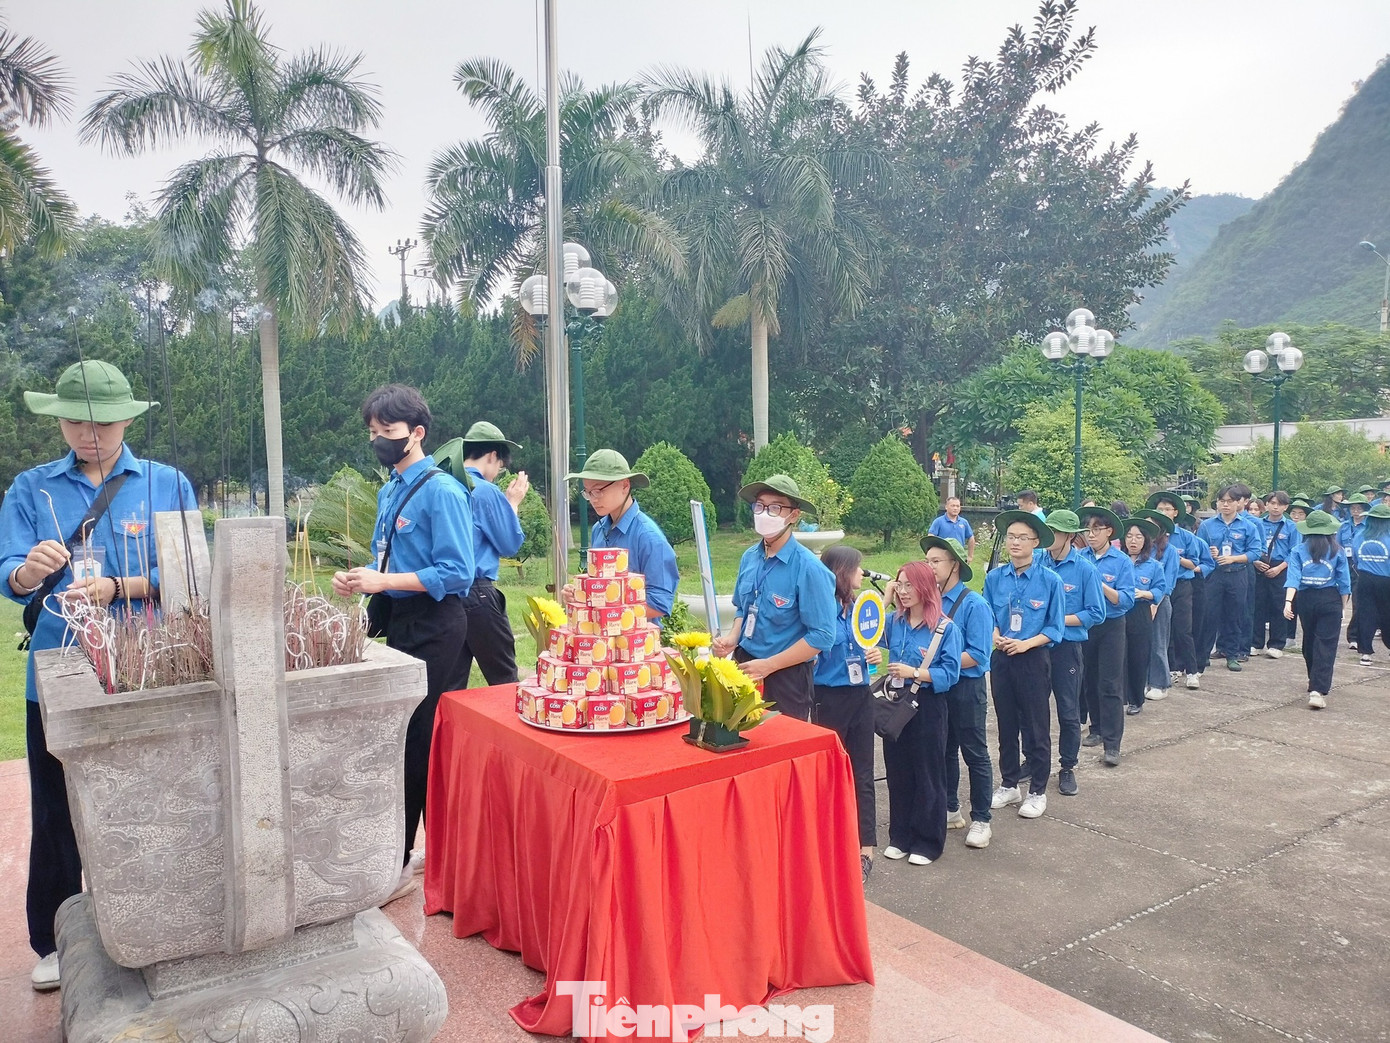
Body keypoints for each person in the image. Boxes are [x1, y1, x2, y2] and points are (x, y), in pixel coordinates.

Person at [0, 360, 198, 992]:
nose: (90, 436)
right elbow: (9, 576)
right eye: (76, 423)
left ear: (127, 420)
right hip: (60, 667)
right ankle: (55, 935)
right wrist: (31, 571)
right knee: (56, 807)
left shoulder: (165, 483)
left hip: (146, 667)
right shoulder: (32, 490)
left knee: (153, 798)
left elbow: (190, 575)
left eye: (104, 424)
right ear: (57, 420)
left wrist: (119, 587)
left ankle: (158, 920)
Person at [332, 384, 475, 904]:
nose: (379, 442)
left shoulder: (442, 492)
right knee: (390, 733)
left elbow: (456, 572)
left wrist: (384, 582)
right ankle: (393, 846)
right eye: (372, 434)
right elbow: (388, 557)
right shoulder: (392, 487)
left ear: (417, 433)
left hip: (437, 623)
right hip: (396, 617)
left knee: (416, 737)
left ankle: (399, 859)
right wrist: (364, 578)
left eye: (387, 433)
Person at [714, 475, 836, 722]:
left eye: (775, 507)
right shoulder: (750, 558)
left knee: (780, 748)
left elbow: (822, 635)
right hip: (745, 667)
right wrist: (732, 638)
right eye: (759, 506)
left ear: (794, 515)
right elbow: (743, 609)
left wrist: (770, 665)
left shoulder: (809, 569)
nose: (764, 514)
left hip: (786, 677)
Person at [877, 559, 963, 865]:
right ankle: (900, 836)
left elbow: (950, 673)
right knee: (898, 771)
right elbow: (866, 631)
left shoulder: (943, 627)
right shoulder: (895, 622)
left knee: (928, 772)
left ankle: (928, 841)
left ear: (926, 587)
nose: (903, 591)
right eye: (899, 584)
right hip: (896, 704)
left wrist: (915, 672)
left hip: (927, 706)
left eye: (910, 585)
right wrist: (884, 600)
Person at [984, 511, 1065, 818]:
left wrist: (1025, 643)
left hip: (1032, 658)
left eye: (1022, 538)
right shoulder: (995, 577)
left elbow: (1055, 627)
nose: (1015, 543)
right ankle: (1008, 783)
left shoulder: (1050, 581)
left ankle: (1037, 790)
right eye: (1011, 537)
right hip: (1002, 657)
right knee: (1006, 724)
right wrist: (995, 635)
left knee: (1036, 725)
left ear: (1036, 543)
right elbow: (988, 614)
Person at [811, 546, 879, 883]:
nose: (862, 574)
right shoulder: (820, 611)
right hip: (828, 697)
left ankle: (866, 850)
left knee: (863, 771)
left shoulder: (860, 609)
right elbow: (815, 652)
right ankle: (831, 841)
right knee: (831, 773)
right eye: (857, 568)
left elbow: (868, 642)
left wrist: (872, 654)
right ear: (841, 571)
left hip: (860, 695)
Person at [921, 535, 995, 848]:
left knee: (974, 752)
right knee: (944, 749)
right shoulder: (930, 602)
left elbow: (979, 653)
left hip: (966, 687)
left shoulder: (974, 604)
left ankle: (982, 819)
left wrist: (940, 664)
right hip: (939, 686)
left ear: (956, 565)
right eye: (927, 560)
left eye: (936, 561)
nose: (930, 566)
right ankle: (950, 808)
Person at [563, 450, 680, 620]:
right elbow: (597, 586)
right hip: (601, 639)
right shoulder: (598, 529)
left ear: (625, 486)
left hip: (637, 642)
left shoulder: (649, 537)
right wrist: (580, 594)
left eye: (598, 490)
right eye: (588, 492)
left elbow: (659, 604)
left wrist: (607, 608)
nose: (593, 499)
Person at [1038, 509, 1105, 797]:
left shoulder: (1084, 569)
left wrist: (1057, 618)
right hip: (1036, 647)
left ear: (1068, 536)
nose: (1048, 537)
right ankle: (1034, 759)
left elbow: (1096, 613)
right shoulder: (1037, 562)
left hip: (1066, 647)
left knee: (1068, 711)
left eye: (1054, 532)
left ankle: (1067, 766)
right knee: (1034, 711)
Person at [456, 421, 527, 685]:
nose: (497, 472)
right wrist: (512, 504)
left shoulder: (444, 485)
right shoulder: (484, 490)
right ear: (493, 455)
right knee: (504, 678)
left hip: (447, 596)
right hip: (478, 593)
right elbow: (509, 543)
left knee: (452, 681)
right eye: (500, 466)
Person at [1078, 506, 1135, 766]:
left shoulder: (1121, 560)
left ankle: (1113, 744)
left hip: (1111, 625)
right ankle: (1096, 728)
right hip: (1086, 625)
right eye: (1088, 530)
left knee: (1110, 683)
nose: (1091, 535)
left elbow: (1125, 600)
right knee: (1088, 679)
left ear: (1109, 532)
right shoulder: (1080, 557)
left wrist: (1099, 585)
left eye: (1096, 530)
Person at [1284, 510, 1352, 710]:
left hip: (1305, 600)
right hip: (1330, 598)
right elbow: (1344, 583)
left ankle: (1314, 682)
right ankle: (1318, 689)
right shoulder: (1337, 551)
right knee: (1326, 644)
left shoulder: (1298, 550)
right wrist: (1343, 608)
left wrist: (1288, 602)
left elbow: (1293, 578)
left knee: (1310, 641)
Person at [1196, 483, 1262, 673]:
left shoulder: (1248, 526)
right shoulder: (1207, 526)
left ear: (1238, 503)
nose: (1225, 505)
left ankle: (1233, 654)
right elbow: (1199, 551)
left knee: (1235, 614)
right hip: (1214, 575)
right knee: (1209, 615)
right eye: (1222, 501)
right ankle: (1204, 654)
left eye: (1229, 501)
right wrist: (1210, 552)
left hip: (1238, 573)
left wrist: (1233, 558)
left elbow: (1255, 552)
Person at [1146, 492, 1208, 691]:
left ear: (1175, 513)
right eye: (1160, 509)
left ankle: (1192, 671)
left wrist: (1174, 560)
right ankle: (1171, 668)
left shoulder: (1186, 537)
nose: (1163, 512)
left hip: (1181, 585)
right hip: (1154, 589)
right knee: (1164, 633)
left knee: (1183, 629)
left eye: (1167, 509)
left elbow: (1194, 564)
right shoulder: (1149, 538)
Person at [1134, 508, 1179, 702]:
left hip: (1159, 601)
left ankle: (1160, 683)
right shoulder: (1142, 550)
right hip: (1137, 603)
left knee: (1158, 643)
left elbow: (1166, 583)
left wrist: (1154, 604)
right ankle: (1141, 682)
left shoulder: (1169, 551)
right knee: (1140, 645)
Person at [1123, 517, 1167, 716]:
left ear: (1145, 540)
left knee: (1138, 656)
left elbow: (1160, 590)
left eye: (1138, 537)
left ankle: (1136, 699)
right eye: (1129, 536)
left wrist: (1145, 594)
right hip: (1118, 612)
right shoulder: (1117, 560)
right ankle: (1119, 696)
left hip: (1140, 612)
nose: (1133, 541)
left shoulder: (1154, 565)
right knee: (1117, 656)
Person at [1251, 492, 1298, 659]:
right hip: (1260, 565)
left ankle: (1277, 644)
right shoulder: (1258, 524)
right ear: (1267, 505)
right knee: (1258, 605)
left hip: (1281, 567)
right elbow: (1252, 545)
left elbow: (1294, 552)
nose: (1275, 507)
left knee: (1279, 606)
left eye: (1280, 504)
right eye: (1272, 503)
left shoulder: (1291, 527)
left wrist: (1279, 568)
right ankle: (1255, 643)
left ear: (1285, 507)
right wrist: (1256, 561)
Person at [1352, 502, 1390, 666]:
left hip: (1365, 579)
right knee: (1387, 614)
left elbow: (1355, 557)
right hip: (1386, 580)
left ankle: (1365, 652)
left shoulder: (1360, 535)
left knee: (1365, 614)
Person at [928, 496, 976, 560]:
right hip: (943, 557)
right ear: (946, 507)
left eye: (957, 506)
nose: (955, 508)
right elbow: (930, 537)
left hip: (960, 557)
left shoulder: (964, 522)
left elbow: (971, 538)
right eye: (952, 506)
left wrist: (970, 556)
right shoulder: (938, 521)